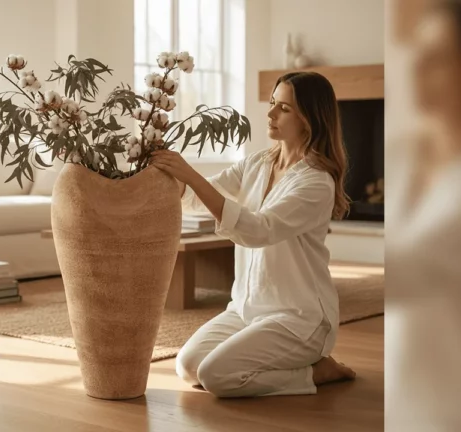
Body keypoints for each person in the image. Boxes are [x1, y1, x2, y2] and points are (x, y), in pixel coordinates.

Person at [150, 71, 356, 398]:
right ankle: (295, 367)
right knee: (188, 366)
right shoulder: (258, 163)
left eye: (284, 108)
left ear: (309, 119)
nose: (271, 113)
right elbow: (195, 198)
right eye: (273, 103)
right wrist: (166, 173)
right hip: (245, 311)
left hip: (298, 319)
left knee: (217, 376)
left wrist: (189, 172)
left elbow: (258, 230)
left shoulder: (316, 183)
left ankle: (316, 372)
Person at [385, 1, 461, 429]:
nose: (415, 67)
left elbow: (399, 273)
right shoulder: (405, 161)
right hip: (408, 406)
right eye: (417, 53)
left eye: (437, 58)